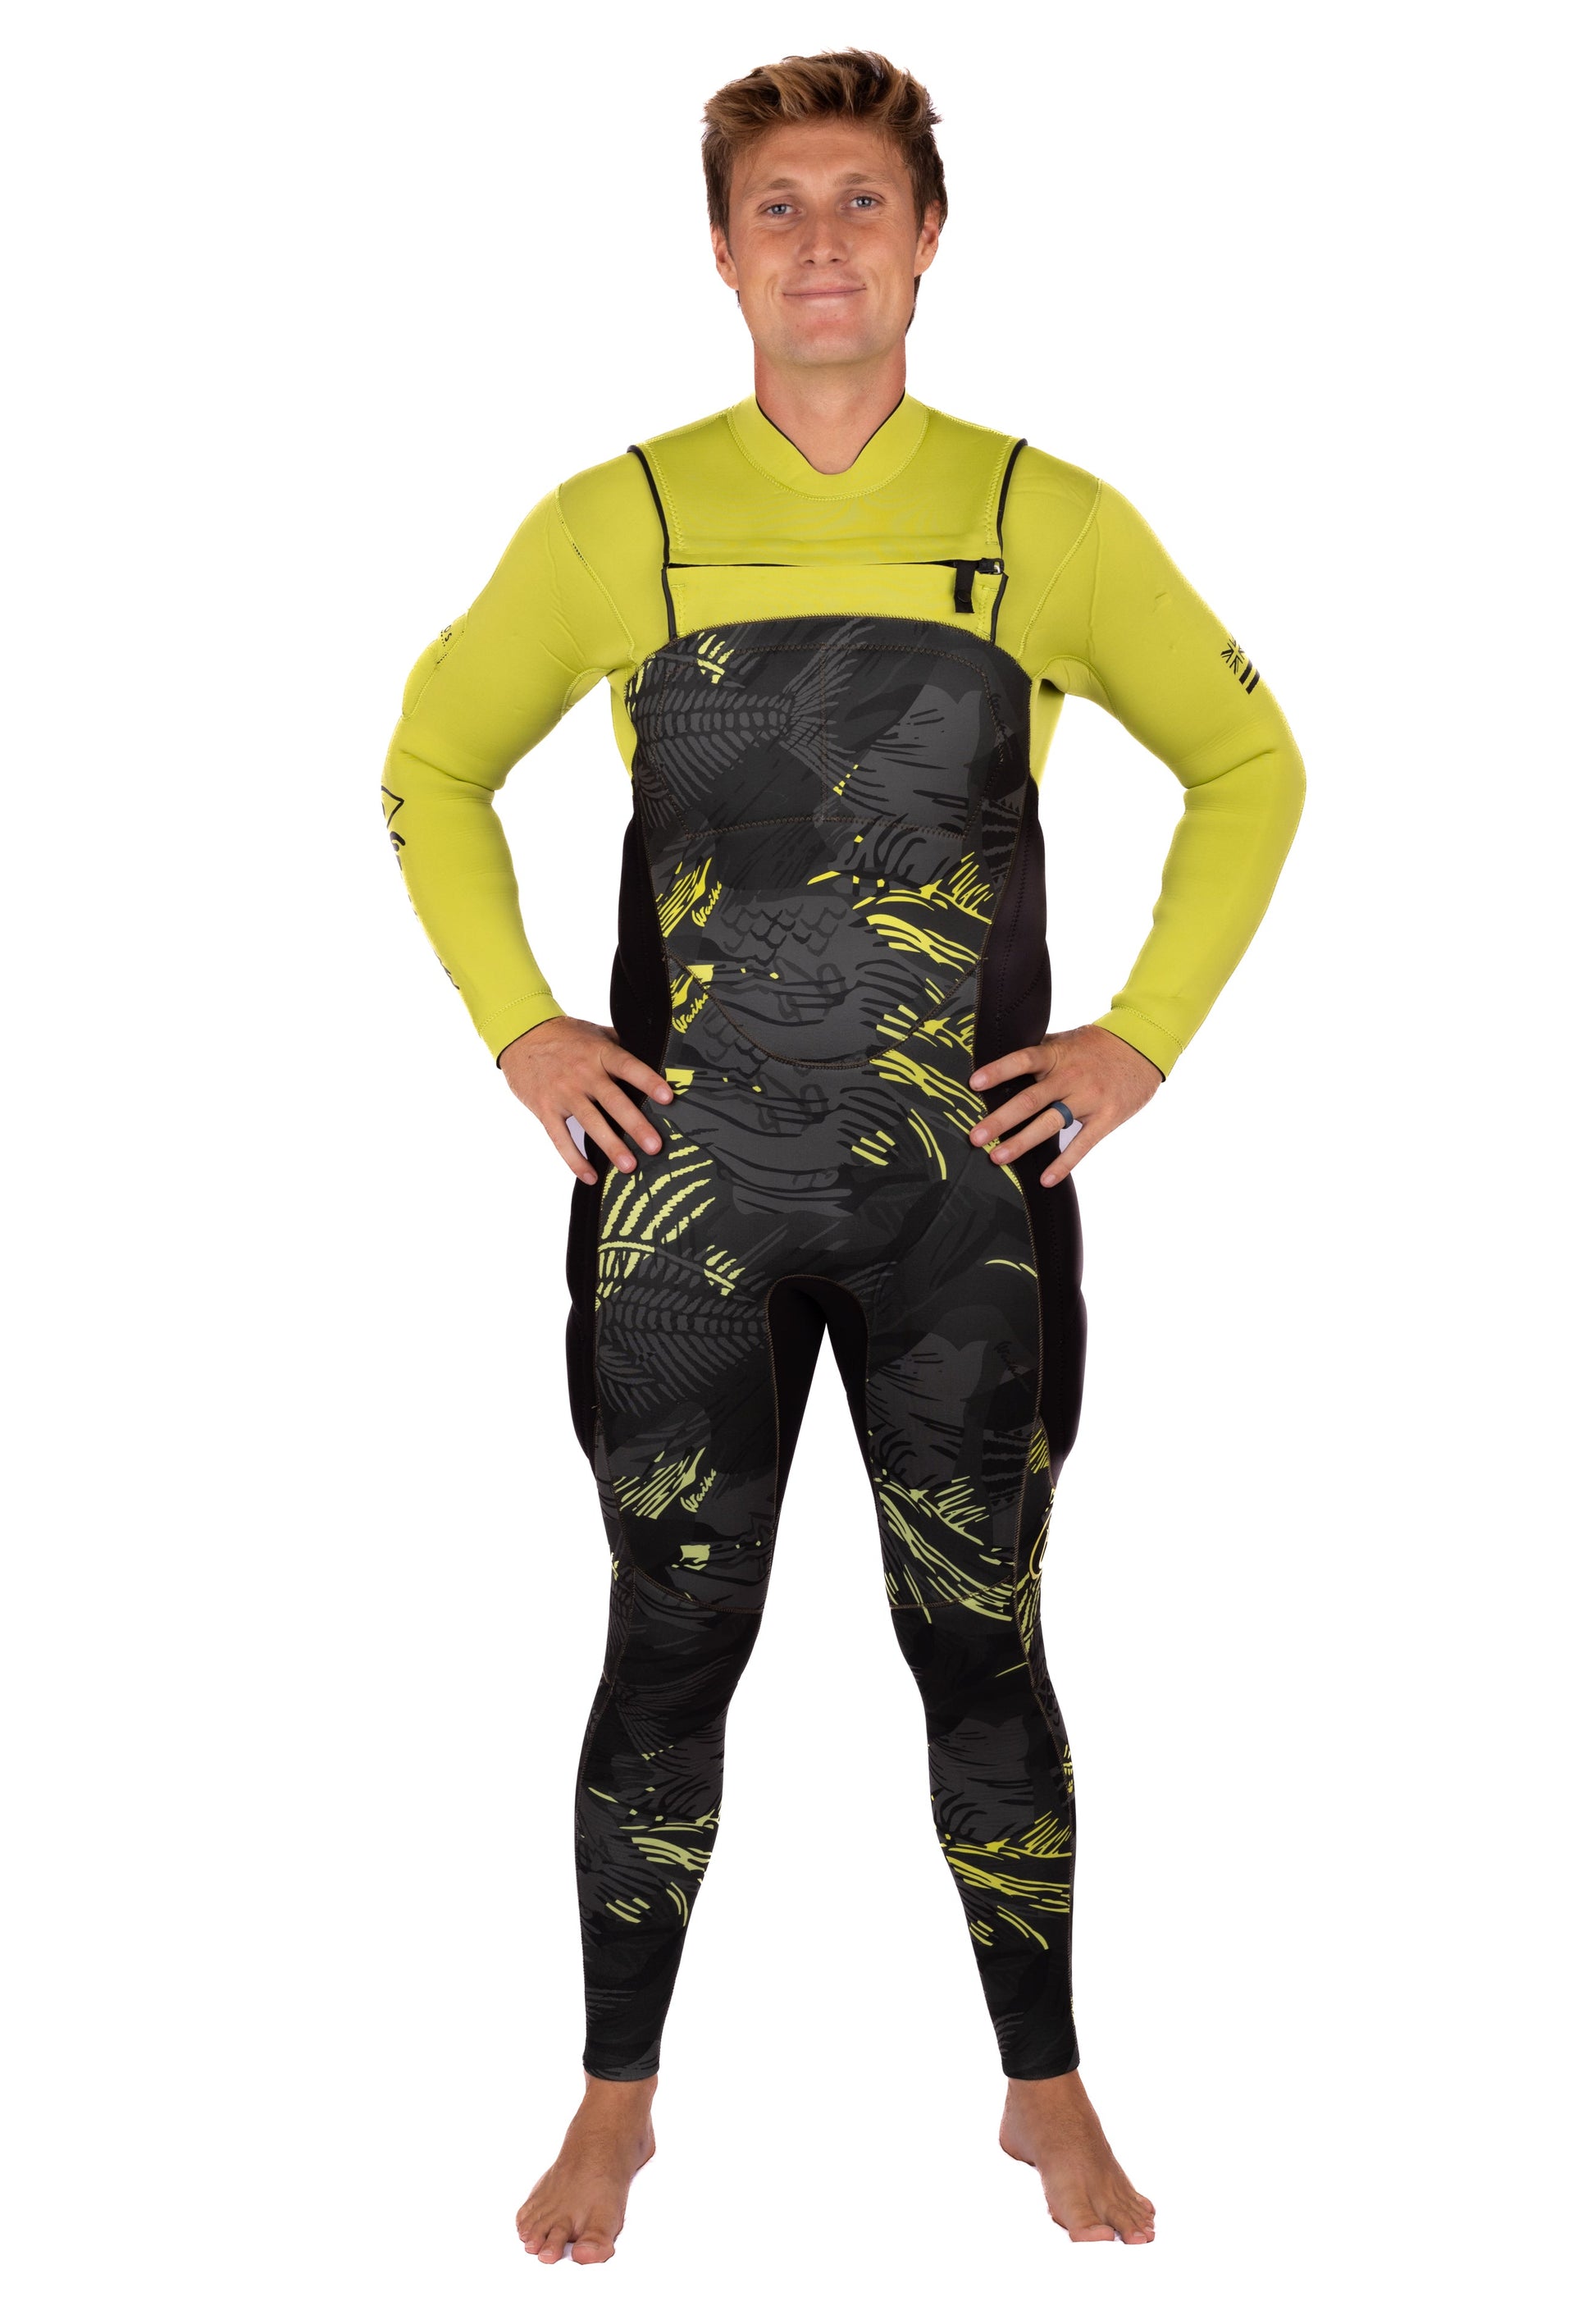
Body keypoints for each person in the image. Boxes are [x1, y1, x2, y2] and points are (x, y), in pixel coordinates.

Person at [381, 48, 1305, 2262]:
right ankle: (614, 2099)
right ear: (721, 251)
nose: (821, 241)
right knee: (666, 1643)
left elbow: (1249, 765)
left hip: (961, 1215)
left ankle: (1044, 2090)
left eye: (860, 202)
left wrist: (1137, 1041)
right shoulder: (620, 519)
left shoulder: (1045, 516)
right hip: (680, 1212)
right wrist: (523, 1025)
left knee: (982, 1646)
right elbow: (432, 761)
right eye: (779, 206)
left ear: (925, 241)